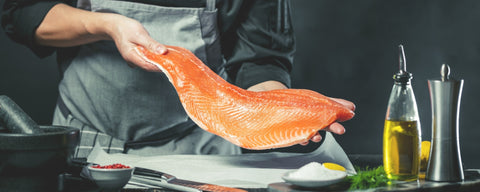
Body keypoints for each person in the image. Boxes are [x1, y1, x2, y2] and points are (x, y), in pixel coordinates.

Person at [2, 0, 355, 158]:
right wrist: (106, 24)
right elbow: (22, 13)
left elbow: (261, 61)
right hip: (89, 146)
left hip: (199, 151)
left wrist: (285, 111)